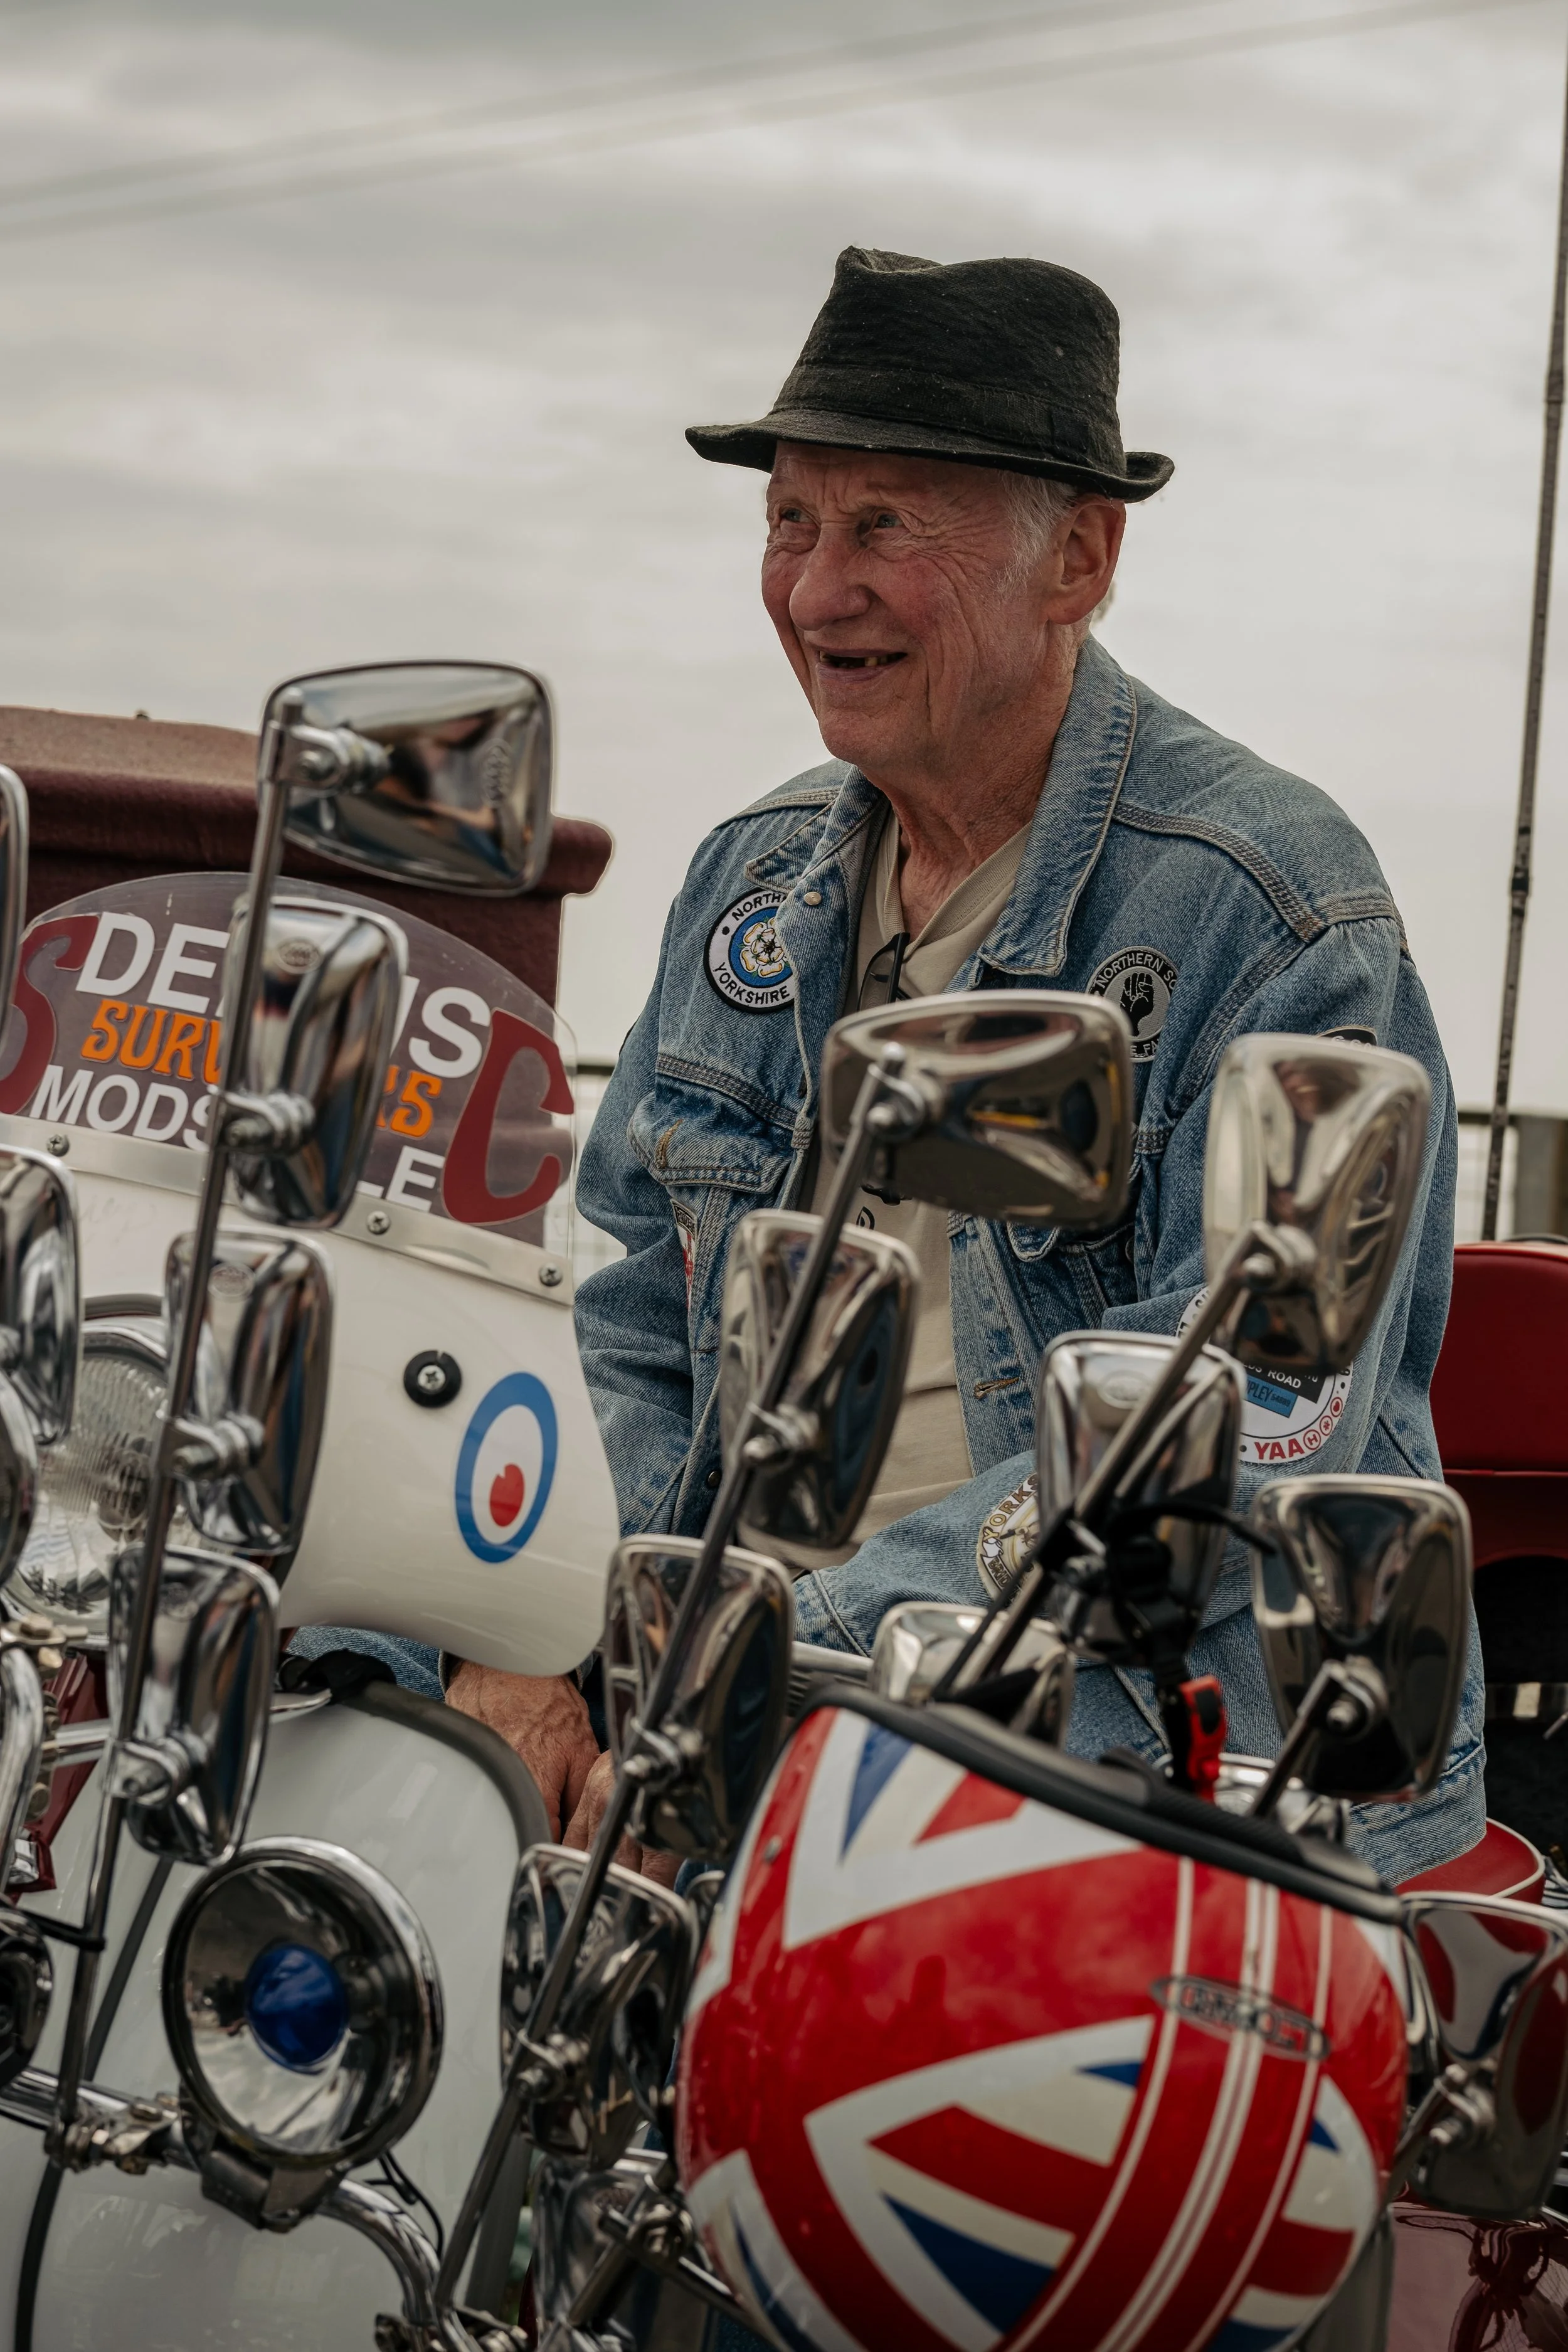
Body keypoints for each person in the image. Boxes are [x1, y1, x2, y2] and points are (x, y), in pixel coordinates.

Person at [451, 242, 1483, 1884]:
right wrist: (537, 1619)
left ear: (1076, 557)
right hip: (724, 1685)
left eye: (882, 525)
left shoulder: (1267, 904)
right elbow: (629, 1312)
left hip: (1130, 1747)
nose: (811, 588)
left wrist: (734, 1657)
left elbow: (1224, 1421)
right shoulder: (747, 883)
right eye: (789, 518)